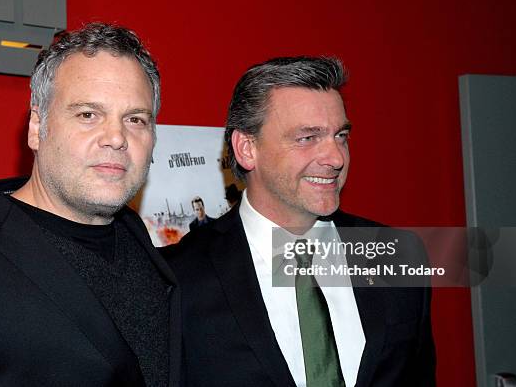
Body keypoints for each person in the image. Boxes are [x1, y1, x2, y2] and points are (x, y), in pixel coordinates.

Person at [0, 23, 180, 386]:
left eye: (135, 119)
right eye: (88, 114)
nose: (116, 137)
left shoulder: (140, 241)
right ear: (37, 127)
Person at [164, 57, 435, 386]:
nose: (336, 158)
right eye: (308, 138)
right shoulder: (176, 278)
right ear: (247, 148)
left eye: (341, 136)